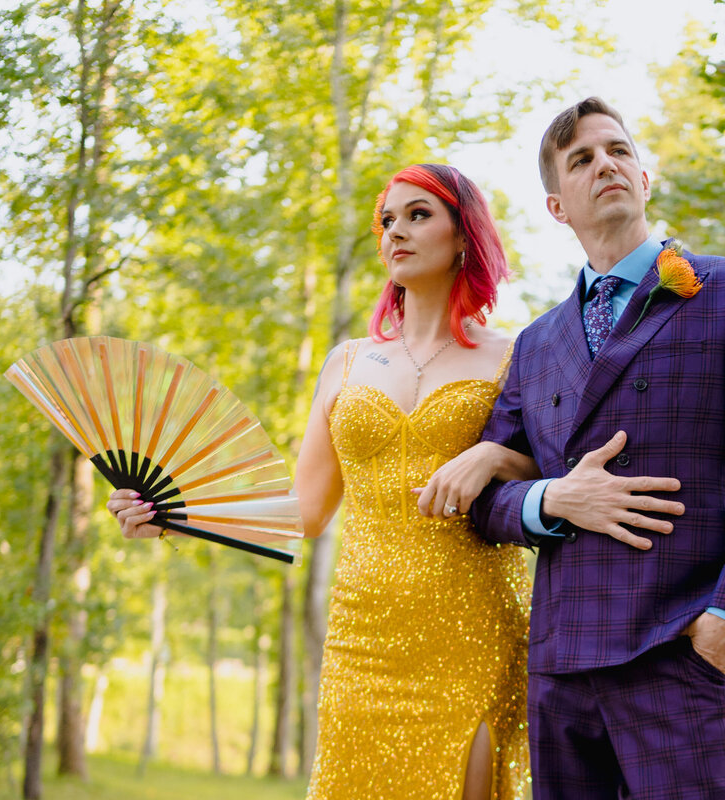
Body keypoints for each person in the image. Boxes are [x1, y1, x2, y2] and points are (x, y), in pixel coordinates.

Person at [109, 163, 534, 800]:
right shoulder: (348, 361)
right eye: (388, 220)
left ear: (464, 235)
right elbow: (305, 511)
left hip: (470, 625)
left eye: (419, 215)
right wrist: (174, 510)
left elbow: (548, 476)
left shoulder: (513, 356)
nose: (397, 232)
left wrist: (495, 458)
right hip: (363, 634)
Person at [468, 97, 725, 799]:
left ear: (645, 178)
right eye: (582, 159)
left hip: (678, 653)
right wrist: (551, 499)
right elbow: (485, 502)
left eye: (618, 150)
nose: (605, 163)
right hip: (563, 669)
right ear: (556, 206)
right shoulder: (536, 346)